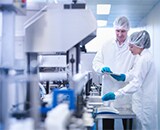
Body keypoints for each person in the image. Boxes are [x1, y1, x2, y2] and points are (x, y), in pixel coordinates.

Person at [102, 30, 158, 130]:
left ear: (140, 45)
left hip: (143, 105)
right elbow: (135, 72)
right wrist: (124, 76)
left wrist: (116, 94)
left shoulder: (144, 59)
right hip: (140, 102)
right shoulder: (142, 57)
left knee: (144, 127)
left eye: (131, 46)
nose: (129, 49)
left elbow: (136, 83)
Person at [92, 16, 136, 130]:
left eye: (123, 31)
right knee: (107, 125)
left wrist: (125, 77)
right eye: (118, 31)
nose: (120, 34)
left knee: (127, 124)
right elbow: (96, 62)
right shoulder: (106, 44)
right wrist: (102, 68)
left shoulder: (132, 47)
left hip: (125, 94)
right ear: (114, 30)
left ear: (128, 30)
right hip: (108, 90)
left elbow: (136, 69)